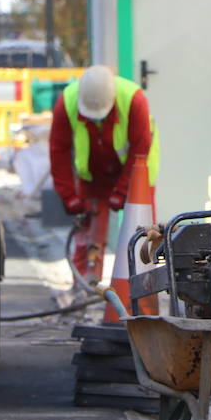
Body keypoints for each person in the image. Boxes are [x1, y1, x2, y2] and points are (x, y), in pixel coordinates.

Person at [49, 65, 159, 284]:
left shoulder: (134, 100)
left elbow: (140, 149)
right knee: (88, 233)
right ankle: (85, 285)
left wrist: (122, 190)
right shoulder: (68, 101)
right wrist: (68, 196)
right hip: (94, 174)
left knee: (142, 231)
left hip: (137, 172)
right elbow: (58, 150)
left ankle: (144, 285)